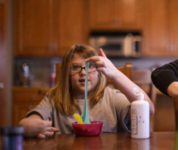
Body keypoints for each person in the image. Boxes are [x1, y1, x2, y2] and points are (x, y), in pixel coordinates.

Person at [19, 44, 155, 138]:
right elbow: (25, 124)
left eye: (90, 67)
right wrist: (29, 127)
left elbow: (148, 110)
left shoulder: (111, 97)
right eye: (75, 67)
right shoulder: (54, 98)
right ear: (66, 73)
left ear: (100, 72)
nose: (83, 73)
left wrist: (115, 74)